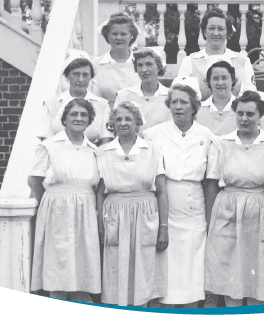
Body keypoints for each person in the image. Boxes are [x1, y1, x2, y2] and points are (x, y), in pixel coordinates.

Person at [144, 77, 221, 307]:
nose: (178, 107)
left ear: (194, 106)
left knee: (192, 275)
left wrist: (209, 220)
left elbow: (211, 183)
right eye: (174, 102)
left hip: (194, 212)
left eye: (184, 102)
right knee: (167, 277)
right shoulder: (153, 135)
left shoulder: (207, 137)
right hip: (165, 208)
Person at [205, 91, 264, 306]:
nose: (244, 119)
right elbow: (211, 184)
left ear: (260, 117)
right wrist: (212, 222)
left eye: (250, 114)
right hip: (227, 211)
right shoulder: (221, 143)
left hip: (261, 213)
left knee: (260, 275)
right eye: (240, 113)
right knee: (229, 273)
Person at [96, 101, 169, 306]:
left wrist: (163, 228)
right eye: (118, 119)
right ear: (112, 124)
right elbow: (100, 193)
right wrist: (102, 228)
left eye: (128, 118)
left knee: (144, 272)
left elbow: (162, 191)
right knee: (115, 271)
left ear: (138, 123)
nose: (123, 123)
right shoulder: (103, 153)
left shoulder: (153, 150)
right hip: (115, 216)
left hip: (145, 215)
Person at [28, 98, 101, 301]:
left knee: (82, 272)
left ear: (90, 120)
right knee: (57, 270)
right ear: (64, 119)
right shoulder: (50, 146)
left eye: (84, 115)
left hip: (86, 215)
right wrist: (50, 205)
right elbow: (34, 181)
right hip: (57, 213)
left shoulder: (94, 151)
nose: (79, 118)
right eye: (74, 114)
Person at [177, 7, 257, 101]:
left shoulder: (243, 61)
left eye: (220, 29)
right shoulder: (189, 61)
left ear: (227, 32)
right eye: (211, 28)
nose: (216, 33)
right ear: (204, 31)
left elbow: (252, 96)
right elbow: (180, 96)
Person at [40, 53, 113, 146]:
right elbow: (46, 138)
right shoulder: (51, 104)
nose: (81, 79)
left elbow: (106, 139)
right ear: (67, 76)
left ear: (91, 77)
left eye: (85, 75)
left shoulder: (102, 105)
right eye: (76, 74)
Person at [113, 48, 171, 133]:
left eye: (149, 64)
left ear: (159, 67)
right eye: (140, 65)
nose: (144, 70)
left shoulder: (170, 96)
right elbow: (115, 126)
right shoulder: (124, 95)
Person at [91, 12, 142, 108]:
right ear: (107, 36)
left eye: (123, 34)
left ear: (131, 36)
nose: (118, 38)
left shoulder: (141, 63)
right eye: (114, 34)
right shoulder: (95, 65)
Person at [195, 60, 238, 136]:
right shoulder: (198, 110)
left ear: (233, 80)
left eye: (224, 78)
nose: (220, 83)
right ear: (208, 82)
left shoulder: (241, 108)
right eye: (215, 78)